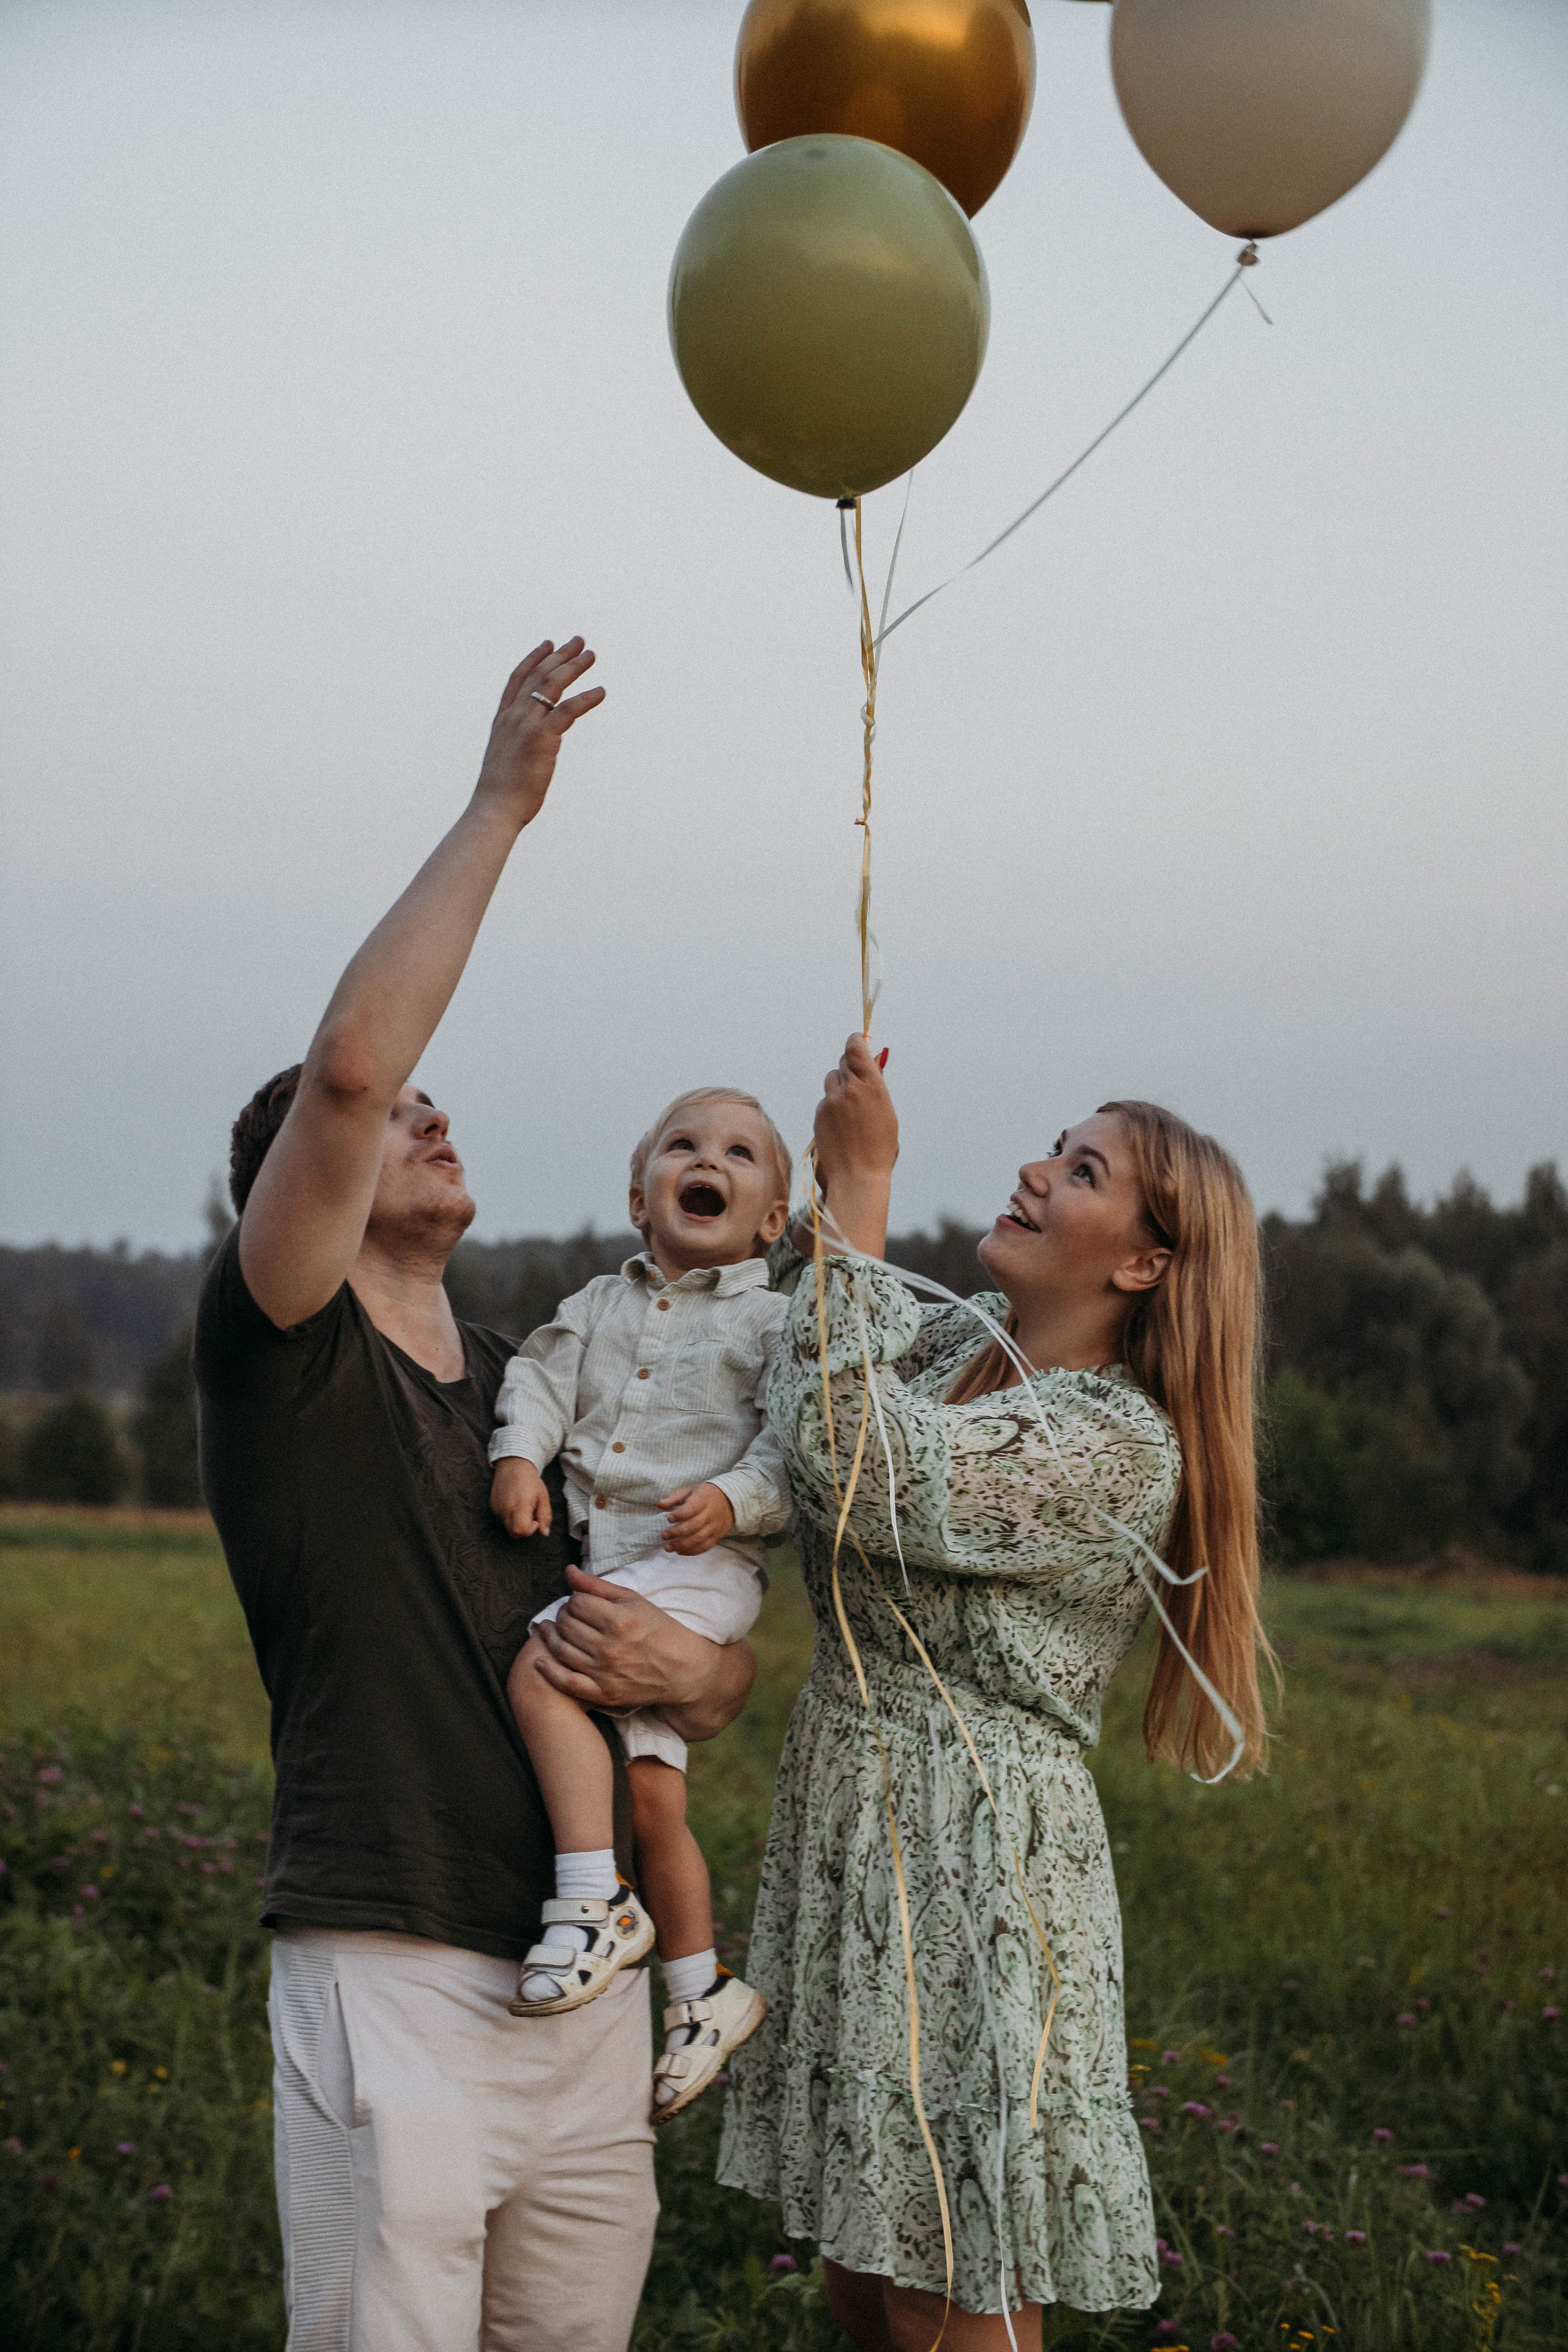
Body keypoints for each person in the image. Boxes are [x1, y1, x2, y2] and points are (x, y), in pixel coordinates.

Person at [194, 640, 758, 2352]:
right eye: (374, 1117)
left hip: (581, 1999)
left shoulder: (544, 1382)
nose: (415, 1108)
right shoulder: (280, 1350)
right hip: (398, 1974)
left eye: (436, 1100)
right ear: (298, 1188)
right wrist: (503, 804)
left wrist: (704, 1679)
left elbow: (696, 1646)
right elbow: (353, 1067)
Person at [719, 1035, 1273, 2352]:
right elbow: (807, 1366)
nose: (1032, 1171)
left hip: (977, 1862)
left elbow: (851, 1458)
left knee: (946, 2285)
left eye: (1079, 1170)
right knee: (862, 2268)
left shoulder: (1113, 1440)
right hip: (852, 1829)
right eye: (1051, 1146)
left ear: (1141, 1262)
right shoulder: (939, 1350)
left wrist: (863, 1183)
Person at [488, 1086, 793, 2117]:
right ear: (639, 1194)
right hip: (617, 1558)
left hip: (696, 1560)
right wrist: (522, 1457)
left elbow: (795, 1452)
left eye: (740, 1153)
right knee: (655, 1796)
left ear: (773, 1222)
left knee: (546, 1669)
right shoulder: (595, 1306)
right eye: (683, 1145)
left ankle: (593, 1900)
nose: (707, 1159)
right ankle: (702, 1989)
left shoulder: (773, 1322)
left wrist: (733, 1499)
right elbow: (536, 1380)